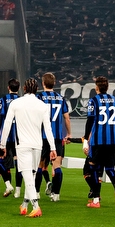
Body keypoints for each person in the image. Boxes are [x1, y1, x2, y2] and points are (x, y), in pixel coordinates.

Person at [0, 79, 56, 218]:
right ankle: (24, 205)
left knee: (27, 175)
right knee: (31, 175)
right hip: (38, 144)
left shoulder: (16, 103)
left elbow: (7, 125)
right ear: (37, 89)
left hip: (23, 144)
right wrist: (53, 147)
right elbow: (48, 128)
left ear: (24, 88)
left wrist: (2, 145)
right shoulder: (42, 105)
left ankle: (36, 206)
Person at [83, 76, 115, 210]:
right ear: (108, 87)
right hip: (111, 140)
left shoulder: (93, 101)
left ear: (96, 87)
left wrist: (85, 140)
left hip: (97, 141)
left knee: (94, 168)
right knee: (110, 169)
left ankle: (96, 200)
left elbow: (90, 120)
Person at [38, 72, 71, 201]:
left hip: (43, 136)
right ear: (54, 83)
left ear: (43, 83)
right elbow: (66, 118)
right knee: (57, 166)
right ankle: (56, 194)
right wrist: (69, 134)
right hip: (57, 136)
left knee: (40, 165)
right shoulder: (61, 98)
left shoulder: (39, 97)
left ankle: (36, 193)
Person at [0, 78, 20, 197]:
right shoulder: (21, 101)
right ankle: (17, 190)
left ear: (8, 87)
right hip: (18, 136)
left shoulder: (3, 100)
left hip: (6, 135)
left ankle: (6, 185)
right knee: (18, 162)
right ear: (18, 88)